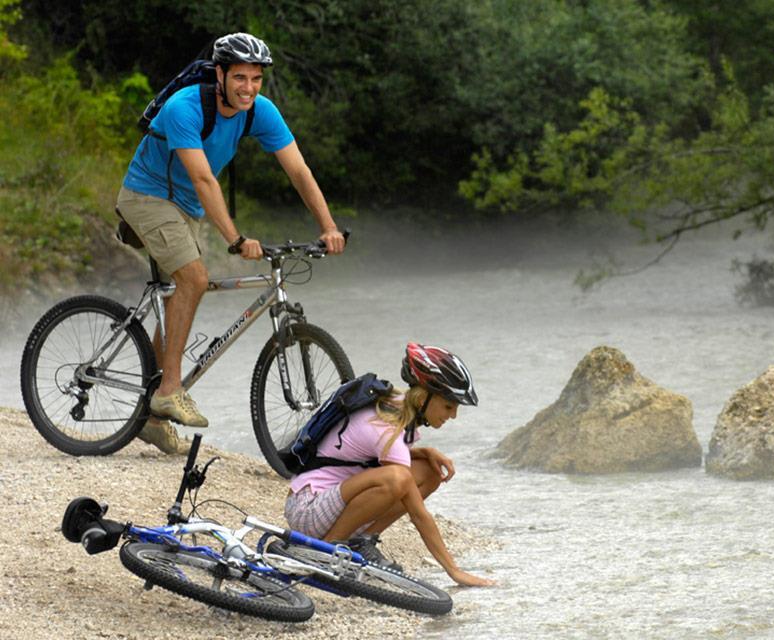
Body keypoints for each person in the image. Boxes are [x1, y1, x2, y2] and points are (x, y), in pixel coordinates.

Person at [116, 33, 345, 454]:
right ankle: (168, 390)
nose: (249, 88)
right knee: (194, 279)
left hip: (184, 207)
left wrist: (328, 226)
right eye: (240, 77)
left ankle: (149, 416)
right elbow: (204, 180)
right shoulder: (184, 107)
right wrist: (236, 239)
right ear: (219, 74)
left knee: (178, 293)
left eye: (256, 78)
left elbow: (298, 170)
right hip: (147, 197)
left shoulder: (259, 110)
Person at [284, 342, 494, 587]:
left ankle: (361, 541)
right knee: (398, 479)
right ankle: (328, 550)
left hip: (331, 500)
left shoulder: (396, 407)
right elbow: (417, 512)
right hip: (308, 508)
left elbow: (369, 455)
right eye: (449, 406)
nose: (453, 415)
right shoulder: (389, 427)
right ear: (424, 396)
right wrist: (455, 571)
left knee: (430, 472)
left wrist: (425, 452)